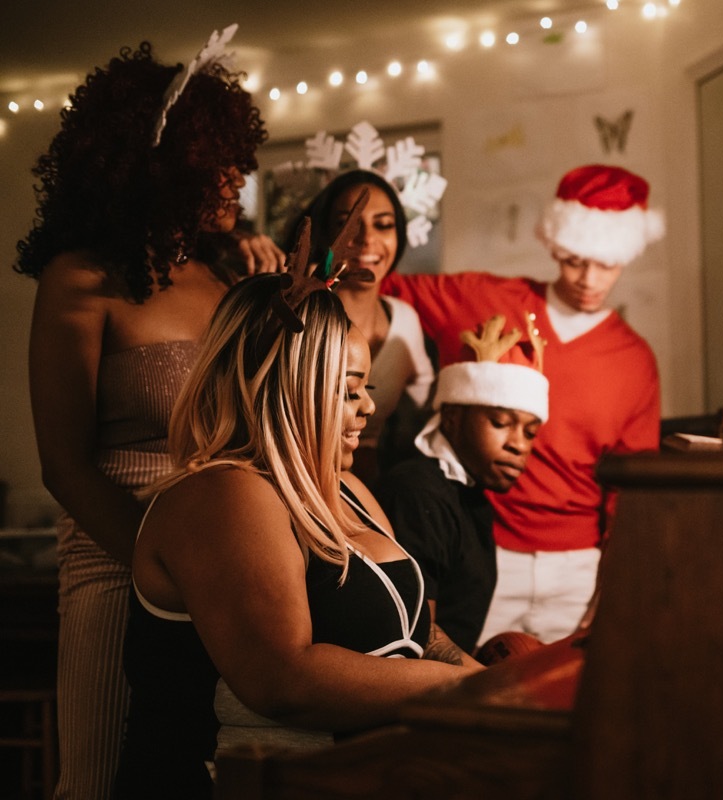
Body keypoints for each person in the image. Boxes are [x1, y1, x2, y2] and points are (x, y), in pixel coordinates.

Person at [13, 29, 284, 800]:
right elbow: (64, 465)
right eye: (220, 161)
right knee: (98, 780)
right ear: (163, 165)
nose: (238, 177)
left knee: (209, 771)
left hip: (229, 554)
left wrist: (277, 297)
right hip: (116, 554)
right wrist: (164, 568)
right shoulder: (82, 280)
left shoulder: (226, 271)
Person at [113, 265, 481, 798]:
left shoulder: (350, 487)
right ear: (292, 387)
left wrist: (507, 688)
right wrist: (461, 689)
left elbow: (419, 636)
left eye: (368, 387)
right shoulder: (226, 493)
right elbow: (284, 678)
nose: (369, 407)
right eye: (350, 389)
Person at [381, 164, 664, 644]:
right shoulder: (485, 298)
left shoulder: (635, 360)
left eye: (607, 263)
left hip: (579, 568)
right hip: (485, 548)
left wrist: (615, 577)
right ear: (555, 245)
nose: (589, 279)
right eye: (575, 259)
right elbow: (373, 283)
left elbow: (631, 489)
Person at [375, 313, 549, 653]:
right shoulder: (417, 492)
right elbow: (417, 637)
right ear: (453, 418)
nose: (520, 444)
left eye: (530, 432)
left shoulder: (472, 496)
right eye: (500, 422)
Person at [298, 169, 435, 484]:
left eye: (383, 225)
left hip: (370, 486)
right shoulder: (302, 310)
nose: (367, 240)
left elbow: (427, 409)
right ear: (323, 234)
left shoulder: (405, 320)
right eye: (348, 224)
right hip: (302, 478)